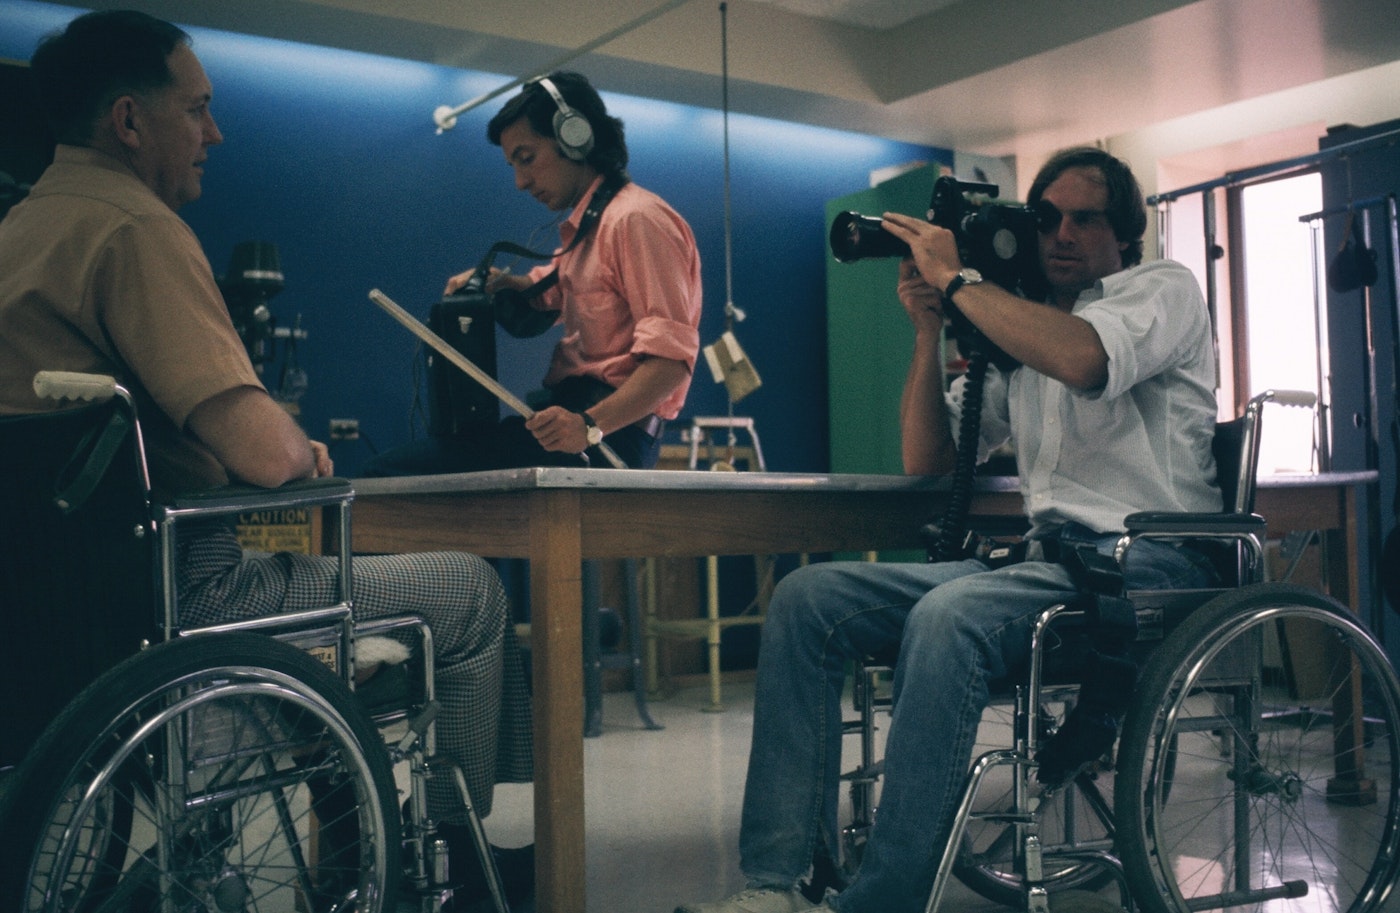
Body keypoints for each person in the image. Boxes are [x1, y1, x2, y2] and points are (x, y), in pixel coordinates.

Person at [0, 10, 532, 905]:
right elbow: (271, 455)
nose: (217, 132)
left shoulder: (20, 231)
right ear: (130, 121)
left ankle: (355, 839)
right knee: (470, 591)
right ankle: (454, 863)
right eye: (199, 109)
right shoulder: (134, 228)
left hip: (50, 616)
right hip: (183, 599)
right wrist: (290, 447)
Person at [677, 147, 1222, 913]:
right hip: (1052, 569)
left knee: (949, 614)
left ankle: (881, 902)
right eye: (1048, 218)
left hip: (1150, 569)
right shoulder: (1021, 321)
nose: (1062, 233)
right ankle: (777, 885)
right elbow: (927, 454)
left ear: (1125, 232)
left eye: (1085, 218)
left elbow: (1085, 358)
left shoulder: (1160, 288)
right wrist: (930, 331)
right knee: (807, 598)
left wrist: (961, 281)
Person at [364, 71, 702, 475]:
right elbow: (546, 297)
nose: (521, 182)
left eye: (527, 159)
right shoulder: (588, 229)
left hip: (606, 435)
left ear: (575, 137)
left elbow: (671, 364)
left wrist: (590, 426)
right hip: (572, 423)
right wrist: (503, 284)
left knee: (387, 475)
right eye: (513, 166)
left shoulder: (637, 220)